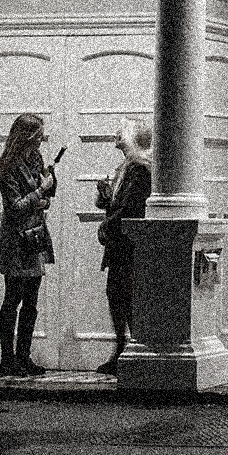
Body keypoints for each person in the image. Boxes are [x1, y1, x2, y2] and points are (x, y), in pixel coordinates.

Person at [0, 113, 57, 378]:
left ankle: (23, 357)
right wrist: (41, 193)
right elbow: (15, 207)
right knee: (12, 298)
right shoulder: (8, 168)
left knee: (31, 301)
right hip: (17, 240)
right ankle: (7, 360)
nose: (42, 140)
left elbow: (44, 199)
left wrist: (47, 188)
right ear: (27, 136)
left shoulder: (36, 160)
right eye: (38, 134)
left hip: (35, 237)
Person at [92, 119, 152, 375]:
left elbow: (130, 208)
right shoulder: (126, 167)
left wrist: (108, 222)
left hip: (127, 245)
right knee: (118, 295)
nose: (116, 132)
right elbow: (118, 205)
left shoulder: (138, 169)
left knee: (123, 296)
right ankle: (125, 349)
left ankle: (129, 350)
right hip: (122, 243)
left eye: (122, 129)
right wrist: (106, 198)